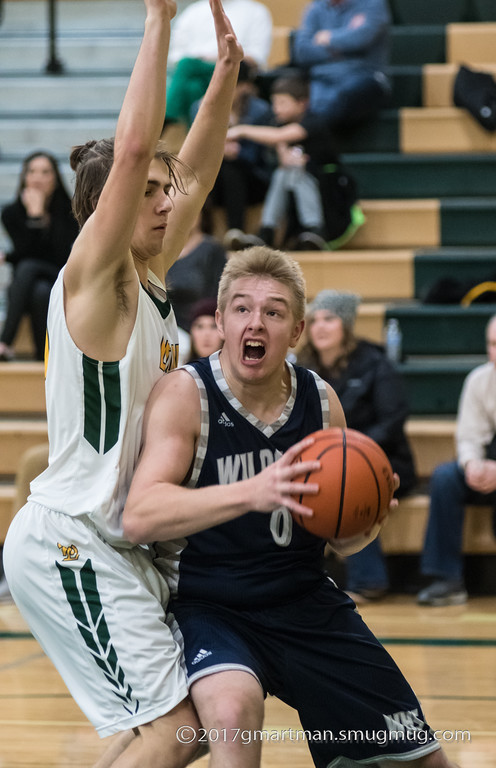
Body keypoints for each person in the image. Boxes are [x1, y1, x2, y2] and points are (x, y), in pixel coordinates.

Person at [3, 0, 243, 765]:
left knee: (173, 731)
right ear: (106, 209)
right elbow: (137, 146)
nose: (170, 201)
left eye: (167, 191)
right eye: (150, 192)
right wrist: (158, 23)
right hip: (74, 538)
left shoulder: (151, 279)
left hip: (119, 544)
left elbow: (195, 170)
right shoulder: (92, 276)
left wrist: (224, 82)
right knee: (175, 732)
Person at [123, 246, 459, 768]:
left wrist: (367, 518)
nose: (255, 322)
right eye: (241, 308)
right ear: (220, 320)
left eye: (273, 312)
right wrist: (253, 491)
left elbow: (341, 539)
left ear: (296, 331)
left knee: (424, 760)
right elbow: (140, 513)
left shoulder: (321, 402)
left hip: (304, 601)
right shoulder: (187, 394)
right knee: (232, 717)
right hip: (209, 607)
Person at [297, 289, 417, 603]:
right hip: (321, 463)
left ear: (346, 325)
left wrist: (348, 452)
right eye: (315, 319)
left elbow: (392, 422)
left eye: (330, 318)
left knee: (348, 483)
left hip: (383, 461)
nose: (320, 326)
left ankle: (369, 580)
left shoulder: (376, 364)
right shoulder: (302, 369)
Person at [418, 309, 496, 607]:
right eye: (493, 344)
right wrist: (473, 466)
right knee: (446, 477)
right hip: (491, 465)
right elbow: (469, 437)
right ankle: (447, 579)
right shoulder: (479, 381)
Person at [225, 74, 362, 252]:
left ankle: (315, 230)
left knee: (295, 171)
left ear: (301, 103)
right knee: (284, 172)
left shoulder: (313, 122)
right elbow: (282, 152)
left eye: (282, 103)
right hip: (297, 191)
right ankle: (267, 231)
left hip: (329, 194)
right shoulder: (278, 123)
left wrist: (241, 130)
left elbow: (280, 136)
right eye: (274, 103)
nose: (276, 109)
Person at [0, 151, 79, 361]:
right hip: (27, 286)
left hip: (58, 277)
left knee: (28, 269)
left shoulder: (70, 211)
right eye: (32, 171)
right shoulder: (11, 213)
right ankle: (42, 356)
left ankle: (5, 341)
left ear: (55, 178)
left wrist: (36, 216)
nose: (38, 178)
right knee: (40, 292)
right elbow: (27, 251)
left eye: (45, 172)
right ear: (24, 177)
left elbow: (58, 254)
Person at [196, 59, 273, 246]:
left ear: (246, 87)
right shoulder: (200, 106)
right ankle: (200, 235)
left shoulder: (259, 110)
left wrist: (237, 152)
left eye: (234, 86)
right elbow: (198, 149)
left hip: (252, 177)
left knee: (231, 167)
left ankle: (235, 230)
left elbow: (259, 157)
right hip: (215, 175)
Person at [164, 0, 272, 127]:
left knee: (187, 66)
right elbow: (177, 54)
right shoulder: (194, 11)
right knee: (193, 87)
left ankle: (167, 120)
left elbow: (256, 56)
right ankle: (197, 136)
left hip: (236, 68)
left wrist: (220, 58)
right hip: (197, 69)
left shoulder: (256, 11)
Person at [292, 0, 392, 130]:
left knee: (345, 97)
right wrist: (342, 49)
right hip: (322, 78)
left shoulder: (372, 3)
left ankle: (299, 133)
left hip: (363, 76)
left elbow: (360, 39)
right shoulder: (316, 7)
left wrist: (329, 38)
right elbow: (302, 50)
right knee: (294, 96)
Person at [165, 197, 227, 333]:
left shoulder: (212, 250)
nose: (187, 215)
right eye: (182, 211)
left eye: (192, 210)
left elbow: (219, 298)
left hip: (199, 332)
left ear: (202, 214)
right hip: (164, 331)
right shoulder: (160, 251)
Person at [185, 297, 223, 362]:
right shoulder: (179, 370)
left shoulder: (238, 370)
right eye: (200, 326)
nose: (207, 334)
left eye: (213, 326)